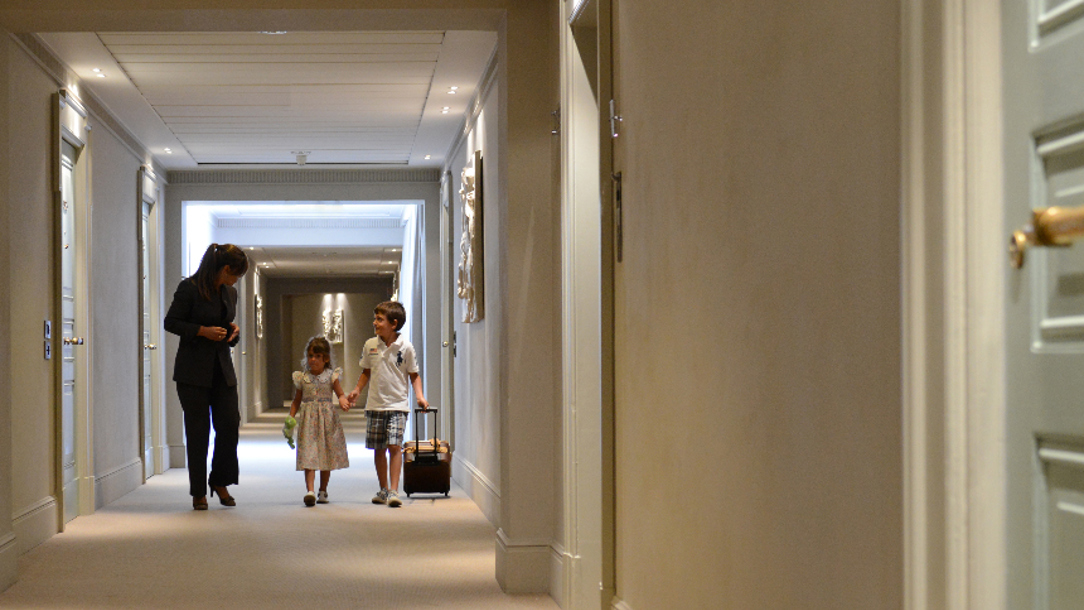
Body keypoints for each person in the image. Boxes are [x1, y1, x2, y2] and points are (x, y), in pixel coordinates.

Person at [164, 243, 249, 510]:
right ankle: (198, 492)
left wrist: (231, 332)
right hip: (192, 373)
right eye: (235, 274)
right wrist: (202, 331)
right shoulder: (189, 288)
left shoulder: (230, 293)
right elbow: (171, 322)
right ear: (225, 269)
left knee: (229, 425)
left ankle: (219, 480)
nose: (236, 281)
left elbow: (225, 331)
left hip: (222, 370)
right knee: (198, 432)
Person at [347, 301, 428, 508]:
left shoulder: (406, 347)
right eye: (375, 319)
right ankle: (383, 489)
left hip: (398, 405)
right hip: (375, 405)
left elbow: (414, 375)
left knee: (394, 446)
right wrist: (357, 390)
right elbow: (366, 371)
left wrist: (420, 396)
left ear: (394, 324)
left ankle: (394, 490)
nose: (375, 323)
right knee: (379, 448)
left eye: (379, 319)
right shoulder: (370, 345)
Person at [289, 336, 351, 506]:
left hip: (327, 420)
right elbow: (296, 401)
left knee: (326, 454)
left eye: (317, 356)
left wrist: (343, 400)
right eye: (310, 356)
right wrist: (290, 417)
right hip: (308, 421)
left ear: (326, 359)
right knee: (309, 455)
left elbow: (339, 393)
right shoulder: (302, 378)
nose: (313, 360)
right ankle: (310, 490)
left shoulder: (331, 376)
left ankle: (323, 490)